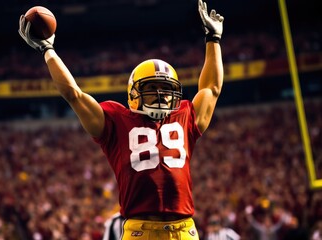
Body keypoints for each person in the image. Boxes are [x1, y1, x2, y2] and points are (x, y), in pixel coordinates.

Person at [18, 0, 224, 239]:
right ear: (133, 93)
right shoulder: (115, 120)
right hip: (139, 230)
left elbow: (212, 88)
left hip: (184, 229)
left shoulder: (185, 115)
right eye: (152, 88)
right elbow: (74, 94)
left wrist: (213, 39)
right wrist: (48, 51)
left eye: (166, 89)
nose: (160, 95)